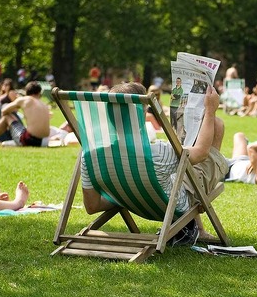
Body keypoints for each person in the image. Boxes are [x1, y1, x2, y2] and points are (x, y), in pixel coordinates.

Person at [79, 82, 228, 245]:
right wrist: (210, 111)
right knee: (217, 125)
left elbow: (92, 206)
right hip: (174, 208)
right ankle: (193, 228)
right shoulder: (159, 152)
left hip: (137, 203)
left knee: (176, 170)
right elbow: (201, 153)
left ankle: (198, 230)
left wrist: (125, 193)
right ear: (142, 113)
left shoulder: (90, 156)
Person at [0, 81, 51, 147]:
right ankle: (0, 139)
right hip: (44, 142)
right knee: (14, 121)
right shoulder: (44, 105)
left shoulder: (24, 99)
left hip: (30, 140)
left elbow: (4, 111)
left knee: (7, 117)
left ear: (26, 92)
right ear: (39, 93)